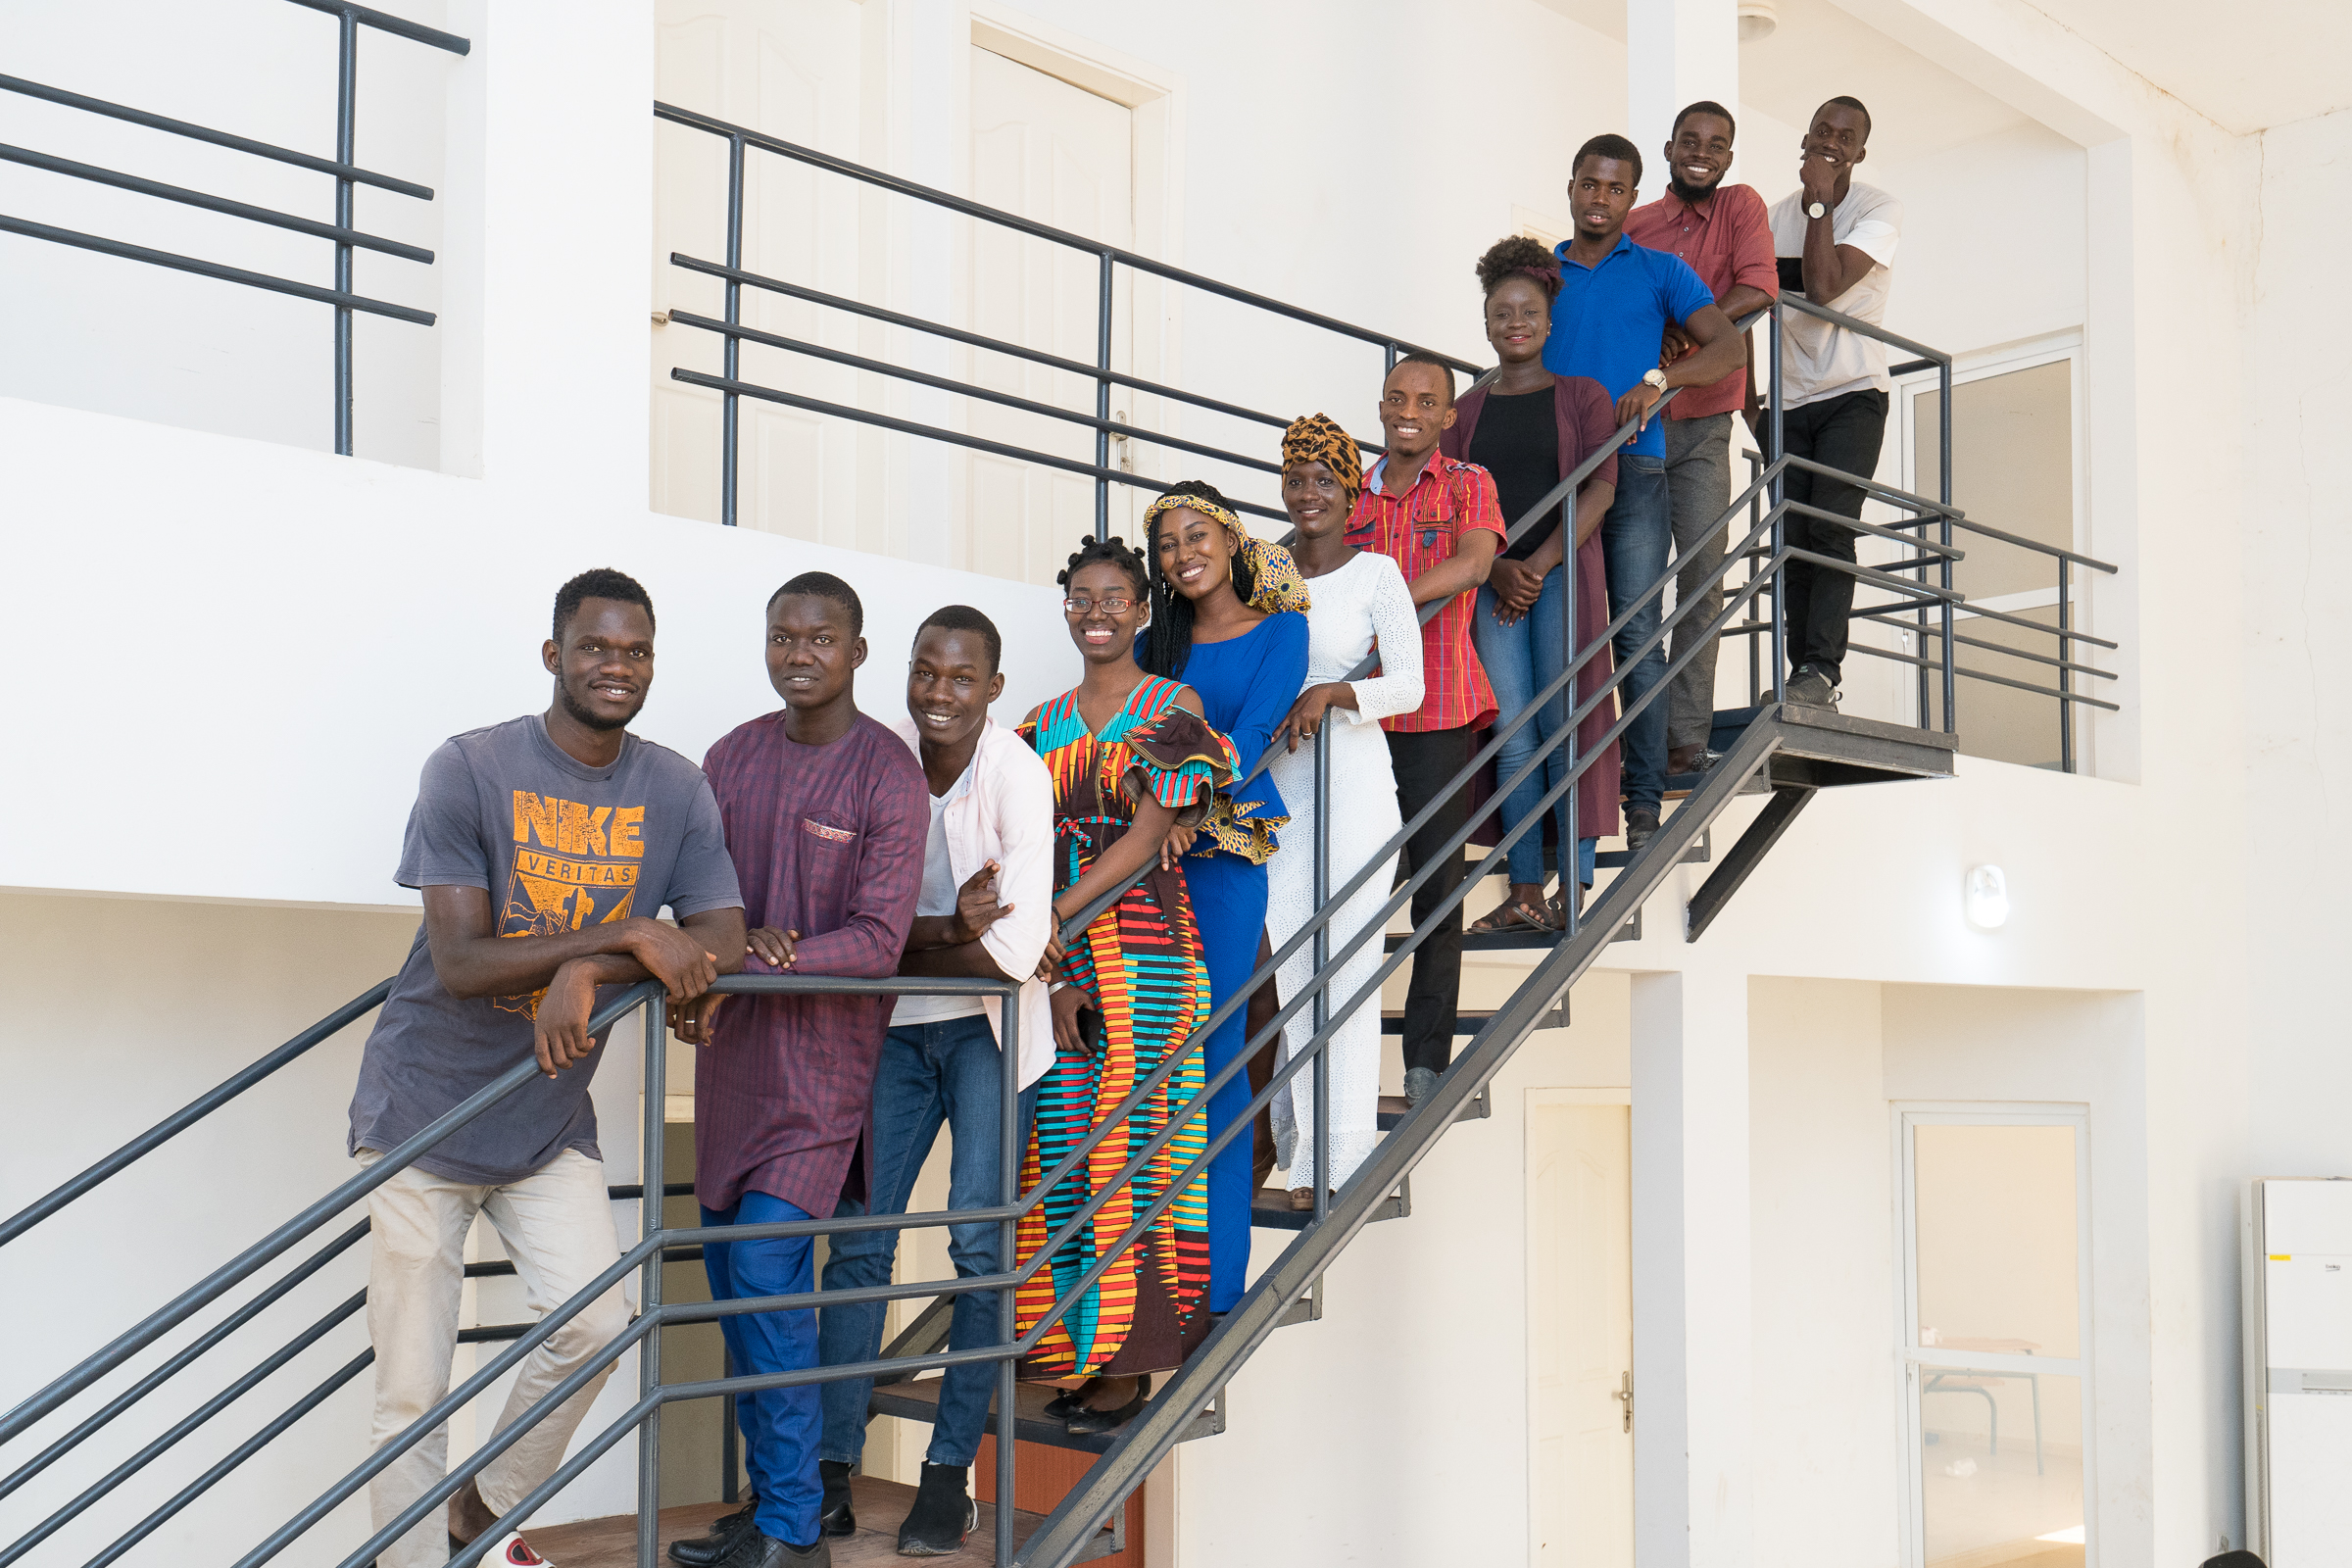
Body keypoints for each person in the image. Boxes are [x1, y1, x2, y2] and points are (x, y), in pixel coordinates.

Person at [347, 568, 746, 1568]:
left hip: (546, 1124)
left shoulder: (673, 784)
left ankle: (479, 1513)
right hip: (425, 1115)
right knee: (411, 1387)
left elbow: (724, 935)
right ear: (554, 655)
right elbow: (461, 961)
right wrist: (622, 934)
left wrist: (593, 964)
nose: (617, 667)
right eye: (597, 648)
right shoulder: (471, 767)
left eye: (636, 650)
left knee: (598, 1324)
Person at [684, 571, 928, 1568]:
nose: (799, 654)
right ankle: (769, 1501)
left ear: (856, 652)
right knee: (728, 1289)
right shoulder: (728, 757)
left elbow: (878, 940)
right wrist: (705, 958)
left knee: (766, 1274)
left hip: (824, 1072)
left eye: (819, 638)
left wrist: (767, 955)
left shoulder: (888, 774)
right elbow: (693, 899)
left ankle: (796, 1533)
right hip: (730, 1066)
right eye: (783, 636)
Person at [805, 607, 1055, 1559]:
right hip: (894, 1040)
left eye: (961, 678)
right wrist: (951, 931)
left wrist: (904, 944)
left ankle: (949, 1474)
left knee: (977, 1247)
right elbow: (852, 927)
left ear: (993, 688)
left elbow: (1018, 954)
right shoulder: (878, 760)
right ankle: (832, 1465)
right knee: (861, 1244)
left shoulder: (1017, 775)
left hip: (991, 1037)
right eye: (925, 672)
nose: (939, 693)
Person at [1015, 535, 1237, 1436]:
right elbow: (1019, 851)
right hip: (1062, 963)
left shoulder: (1172, 709)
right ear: (1064, 606)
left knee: (1141, 1161)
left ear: (1142, 611)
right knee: (1068, 1153)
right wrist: (1055, 954)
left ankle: (1135, 1357)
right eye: (1080, 597)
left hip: (1148, 955)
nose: (1096, 611)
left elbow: (1147, 843)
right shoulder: (1035, 724)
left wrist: (1048, 921)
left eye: (1113, 598)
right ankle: (1081, 1348)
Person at [1543, 132, 1746, 851]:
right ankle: (1548, 814)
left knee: (1635, 633)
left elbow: (1728, 348)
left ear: (1635, 197)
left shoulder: (1662, 270)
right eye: (1589, 185)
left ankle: (1644, 806)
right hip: (1552, 478)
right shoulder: (1541, 275)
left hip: (1634, 470)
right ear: (1571, 187)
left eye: (1616, 188)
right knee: (1551, 636)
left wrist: (1660, 381)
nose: (1600, 199)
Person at [1137, 480, 1311, 1309]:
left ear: (1232, 538)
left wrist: (1185, 807)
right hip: (1146, 859)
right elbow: (1127, 739)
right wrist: (1156, 819)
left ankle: (1216, 1290)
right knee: (1145, 1061)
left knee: (1217, 1061)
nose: (1183, 553)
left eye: (1196, 534)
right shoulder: (1150, 647)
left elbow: (1254, 736)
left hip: (1224, 855)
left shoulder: (1282, 631)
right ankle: (1145, 1281)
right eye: (1168, 544)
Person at [1264, 415, 1423, 1207]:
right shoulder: (1261, 568)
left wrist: (1336, 694)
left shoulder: (1378, 575)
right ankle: (1299, 1158)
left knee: (1348, 969)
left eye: (1324, 479)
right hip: (1280, 795)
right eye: (1296, 479)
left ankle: (1343, 1157)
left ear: (1353, 488)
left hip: (1356, 788)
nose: (1308, 494)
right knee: (1297, 972)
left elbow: (1411, 685)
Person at [1444, 238, 1623, 934]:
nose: (1515, 322)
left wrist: (1537, 566)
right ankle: (1523, 890)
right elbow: (1451, 511)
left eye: (1528, 311)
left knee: (1565, 723)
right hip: (1491, 585)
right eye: (1501, 312)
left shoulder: (1583, 396)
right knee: (1512, 731)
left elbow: (1601, 491)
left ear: (1549, 322)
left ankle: (1572, 882)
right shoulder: (1463, 412)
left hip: (1560, 575)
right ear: (1486, 324)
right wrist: (1497, 569)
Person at [1344, 355, 1503, 1108]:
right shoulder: (1349, 497)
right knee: (1347, 886)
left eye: (1428, 401)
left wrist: (1385, 604)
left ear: (1448, 417)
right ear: (1382, 407)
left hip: (1438, 708)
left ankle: (1425, 1059)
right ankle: (1334, 1061)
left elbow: (1474, 566)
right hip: (1359, 714)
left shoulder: (1471, 485)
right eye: (1398, 397)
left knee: (1436, 885)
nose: (1410, 410)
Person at [1625, 100, 1781, 774]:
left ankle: (1684, 739)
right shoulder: (1634, 225)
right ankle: (1633, 739)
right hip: (1636, 428)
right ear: (1668, 150)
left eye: (1716, 145)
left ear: (1727, 157)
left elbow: (1760, 289)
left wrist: (1689, 333)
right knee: (1631, 591)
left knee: (1703, 578)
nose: (1702, 152)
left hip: (1707, 417)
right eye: (1690, 141)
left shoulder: (1740, 206)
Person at [1763, 95, 1902, 709]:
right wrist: (1752, 404)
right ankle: (1800, 677)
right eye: (1822, 130)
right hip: (1789, 399)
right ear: (1806, 137)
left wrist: (1818, 200)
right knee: (1792, 535)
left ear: (1860, 152)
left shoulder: (1879, 209)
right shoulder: (1771, 218)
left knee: (1830, 528)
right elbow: (1744, 304)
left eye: (1845, 136)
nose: (1831, 140)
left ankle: (1821, 671)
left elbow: (1820, 288)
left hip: (1853, 394)